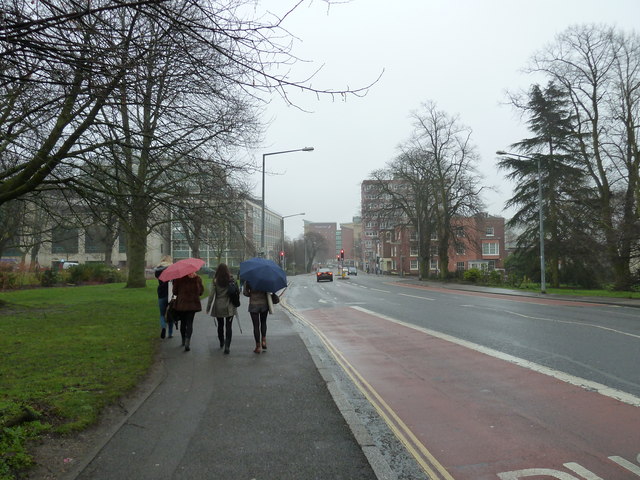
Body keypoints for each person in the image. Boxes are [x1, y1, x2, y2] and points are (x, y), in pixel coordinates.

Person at [205, 263, 237, 354]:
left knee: (220, 325)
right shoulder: (231, 279)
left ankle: (221, 341)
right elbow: (236, 291)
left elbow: (211, 295)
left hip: (218, 305)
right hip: (229, 306)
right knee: (228, 326)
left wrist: (208, 307)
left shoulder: (215, 281)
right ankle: (227, 346)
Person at [172, 271, 204, 352]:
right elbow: (200, 292)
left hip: (182, 304)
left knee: (183, 322)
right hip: (192, 304)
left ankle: (183, 339)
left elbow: (174, 292)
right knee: (190, 323)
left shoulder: (179, 279)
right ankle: (187, 341)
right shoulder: (197, 279)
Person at [243, 281, 269, 354]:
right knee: (263, 322)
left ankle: (258, 347)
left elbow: (245, 292)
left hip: (253, 304)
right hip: (264, 304)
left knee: (256, 326)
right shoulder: (265, 279)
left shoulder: (249, 279)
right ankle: (263, 340)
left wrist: (251, 294)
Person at [154, 256, 173, 339]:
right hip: (171, 294)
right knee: (171, 314)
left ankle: (163, 327)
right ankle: (170, 333)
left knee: (162, 314)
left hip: (161, 293)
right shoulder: (172, 269)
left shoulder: (158, 270)